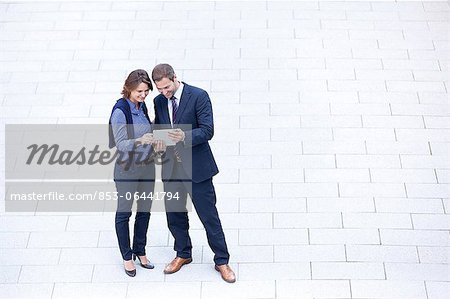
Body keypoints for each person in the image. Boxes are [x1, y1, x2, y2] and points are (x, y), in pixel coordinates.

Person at [151, 63, 236, 283]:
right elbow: (159, 128)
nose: (164, 93)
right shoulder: (158, 101)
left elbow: (208, 130)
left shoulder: (198, 96)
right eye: (160, 89)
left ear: (174, 77)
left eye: (167, 88)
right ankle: (183, 254)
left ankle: (222, 260)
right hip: (171, 168)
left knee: (209, 217)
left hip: (197, 169)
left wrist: (184, 136)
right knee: (174, 216)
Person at [108, 69, 165, 277]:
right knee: (124, 213)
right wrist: (141, 141)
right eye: (139, 91)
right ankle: (127, 256)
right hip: (127, 169)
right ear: (129, 88)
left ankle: (140, 250)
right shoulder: (120, 111)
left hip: (146, 166)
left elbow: (147, 130)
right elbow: (120, 144)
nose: (143, 94)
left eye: (146, 90)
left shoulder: (141, 106)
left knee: (144, 211)